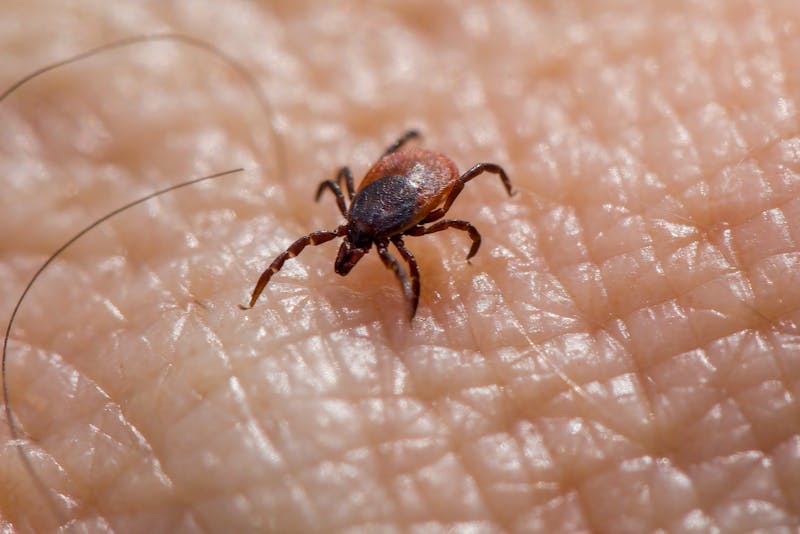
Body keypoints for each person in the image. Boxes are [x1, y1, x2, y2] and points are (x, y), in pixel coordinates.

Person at [2, 2, 798, 531]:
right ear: (350, 220)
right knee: (427, 193)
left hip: (417, 180)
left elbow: (447, 212)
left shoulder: (391, 227)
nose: (344, 250)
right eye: (346, 237)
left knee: (450, 200)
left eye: (347, 244)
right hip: (411, 180)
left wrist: (426, 244)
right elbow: (421, 209)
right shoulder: (362, 224)